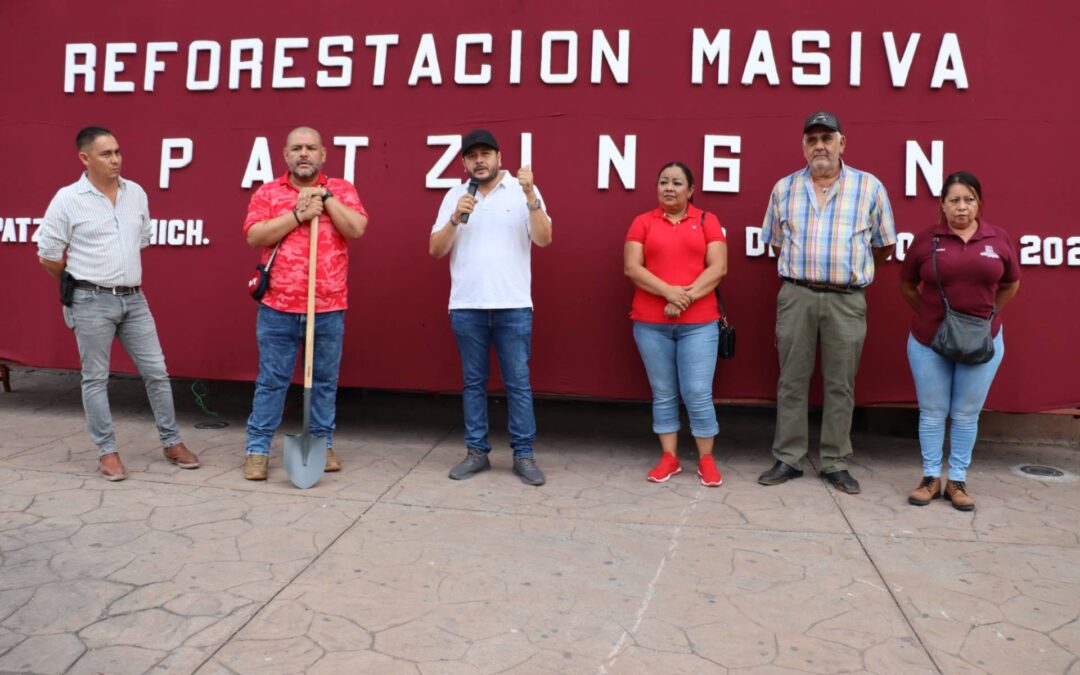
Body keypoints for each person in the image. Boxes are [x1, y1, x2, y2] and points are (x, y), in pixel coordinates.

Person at [37, 126, 201, 481]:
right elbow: (48, 255)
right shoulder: (67, 199)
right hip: (90, 299)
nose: (115, 160)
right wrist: (79, 284)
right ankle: (107, 452)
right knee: (95, 378)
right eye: (106, 154)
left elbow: (140, 239)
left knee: (157, 371)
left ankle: (172, 442)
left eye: (117, 152)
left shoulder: (136, 193)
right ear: (84, 158)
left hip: (134, 299)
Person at [758, 111, 897, 494]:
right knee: (792, 381)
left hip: (846, 300)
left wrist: (848, 270)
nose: (820, 145)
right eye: (812, 139)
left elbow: (884, 245)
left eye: (827, 137)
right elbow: (775, 242)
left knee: (841, 383)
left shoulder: (869, 187)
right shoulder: (784, 188)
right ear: (803, 146)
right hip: (797, 295)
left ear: (842, 143)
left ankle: (834, 461)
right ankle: (788, 458)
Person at [241, 127, 368, 481]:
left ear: (323, 153)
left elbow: (356, 229)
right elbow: (254, 235)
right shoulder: (268, 192)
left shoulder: (342, 190)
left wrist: (324, 199)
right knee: (272, 381)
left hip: (327, 307)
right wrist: (297, 215)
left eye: (311, 148)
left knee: (324, 381)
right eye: (297, 148)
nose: (304, 154)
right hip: (278, 306)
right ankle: (258, 449)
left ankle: (322, 442)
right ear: (285, 154)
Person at [429, 129, 553, 486]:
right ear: (464, 162)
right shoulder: (455, 195)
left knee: (518, 382)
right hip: (467, 305)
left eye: (485, 153)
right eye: (472, 156)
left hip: (513, 305)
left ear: (499, 156)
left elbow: (544, 239)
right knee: (472, 382)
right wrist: (455, 218)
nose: (479, 160)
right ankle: (476, 453)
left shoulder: (521, 190)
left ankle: (524, 455)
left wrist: (531, 196)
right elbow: (436, 250)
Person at [899, 171, 1019, 511]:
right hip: (928, 341)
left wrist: (989, 315)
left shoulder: (998, 239)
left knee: (966, 414)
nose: (962, 207)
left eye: (969, 199)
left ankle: (958, 481)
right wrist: (929, 315)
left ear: (979, 203)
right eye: (954, 200)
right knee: (933, 413)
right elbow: (906, 284)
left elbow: (1011, 284)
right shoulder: (927, 240)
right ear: (942, 205)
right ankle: (930, 477)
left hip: (983, 340)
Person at [624, 162, 728, 487]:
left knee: (697, 392)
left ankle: (707, 459)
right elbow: (632, 267)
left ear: (691, 189)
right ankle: (669, 458)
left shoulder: (707, 220)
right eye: (664, 181)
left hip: (699, 323)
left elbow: (718, 267)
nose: (669, 187)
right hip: (650, 324)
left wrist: (685, 298)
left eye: (677, 182)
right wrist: (669, 291)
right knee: (664, 392)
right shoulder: (643, 222)